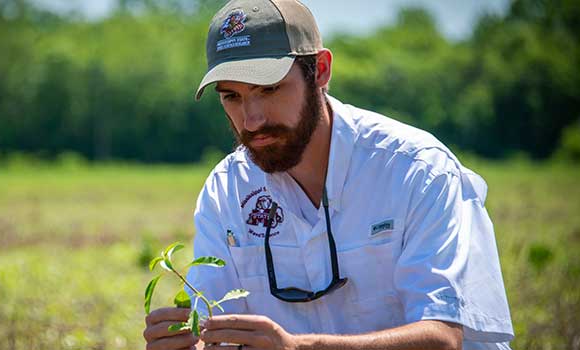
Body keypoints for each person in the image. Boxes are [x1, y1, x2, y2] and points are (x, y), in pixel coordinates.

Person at [143, 0, 514, 349]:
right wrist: (188, 341)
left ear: (320, 70)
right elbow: (215, 328)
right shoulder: (226, 190)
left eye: (269, 89)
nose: (251, 121)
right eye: (232, 97)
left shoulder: (417, 170)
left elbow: (443, 337)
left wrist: (299, 347)